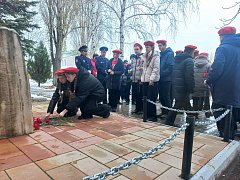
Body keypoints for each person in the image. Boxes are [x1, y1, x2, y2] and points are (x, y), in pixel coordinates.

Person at [206, 26, 240, 139]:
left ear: (222, 37)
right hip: (237, 93)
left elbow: (216, 69)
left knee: (223, 121)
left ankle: (225, 141)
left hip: (224, 92)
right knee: (234, 119)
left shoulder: (223, 48)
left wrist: (208, 80)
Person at [165, 45, 196, 126]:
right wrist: (191, 88)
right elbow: (190, 76)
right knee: (180, 104)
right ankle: (169, 121)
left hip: (176, 85)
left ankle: (191, 119)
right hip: (184, 87)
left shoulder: (177, 59)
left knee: (183, 104)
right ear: (191, 52)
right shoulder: (189, 60)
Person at [141, 41, 160, 122]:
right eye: (145, 47)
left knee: (151, 98)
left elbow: (156, 68)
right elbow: (145, 69)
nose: (146, 48)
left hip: (152, 80)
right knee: (145, 98)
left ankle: (152, 116)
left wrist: (152, 79)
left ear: (152, 47)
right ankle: (146, 114)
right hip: (145, 80)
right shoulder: (145, 56)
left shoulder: (155, 56)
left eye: (148, 47)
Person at [157, 39, 174, 118]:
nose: (159, 47)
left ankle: (168, 113)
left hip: (167, 79)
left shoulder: (169, 54)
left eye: (160, 45)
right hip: (160, 78)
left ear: (164, 45)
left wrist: (161, 74)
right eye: (158, 46)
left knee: (166, 96)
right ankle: (163, 111)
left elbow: (170, 67)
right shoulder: (160, 54)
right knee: (161, 96)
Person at [192, 52, 211, 119]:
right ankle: (207, 114)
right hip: (204, 86)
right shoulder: (208, 65)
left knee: (195, 100)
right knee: (206, 101)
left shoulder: (194, 64)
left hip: (195, 86)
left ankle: (195, 115)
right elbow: (210, 76)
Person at [130, 43, 144, 114]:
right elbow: (132, 67)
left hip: (140, 79)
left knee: (140, 95)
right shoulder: (133, 58)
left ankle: (141, 109)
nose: (136, 51)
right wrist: (130, 71)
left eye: (137, 49)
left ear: (141, 49)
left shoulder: (143, 57)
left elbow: (146, 67)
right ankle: (137, 108)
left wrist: (142, 68)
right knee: (135, 94)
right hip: (134, 78)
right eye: (135, 49)